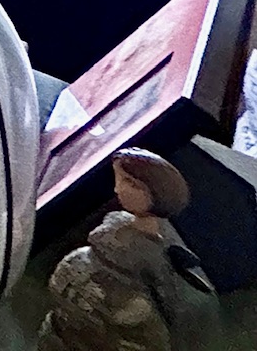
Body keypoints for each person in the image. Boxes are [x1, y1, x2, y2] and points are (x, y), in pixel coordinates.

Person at [38, 148, 221, 351]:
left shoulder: (153, 271)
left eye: (130, 183)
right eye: (119, 179)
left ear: (154, 193)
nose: (117, 189)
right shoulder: (154, 250)